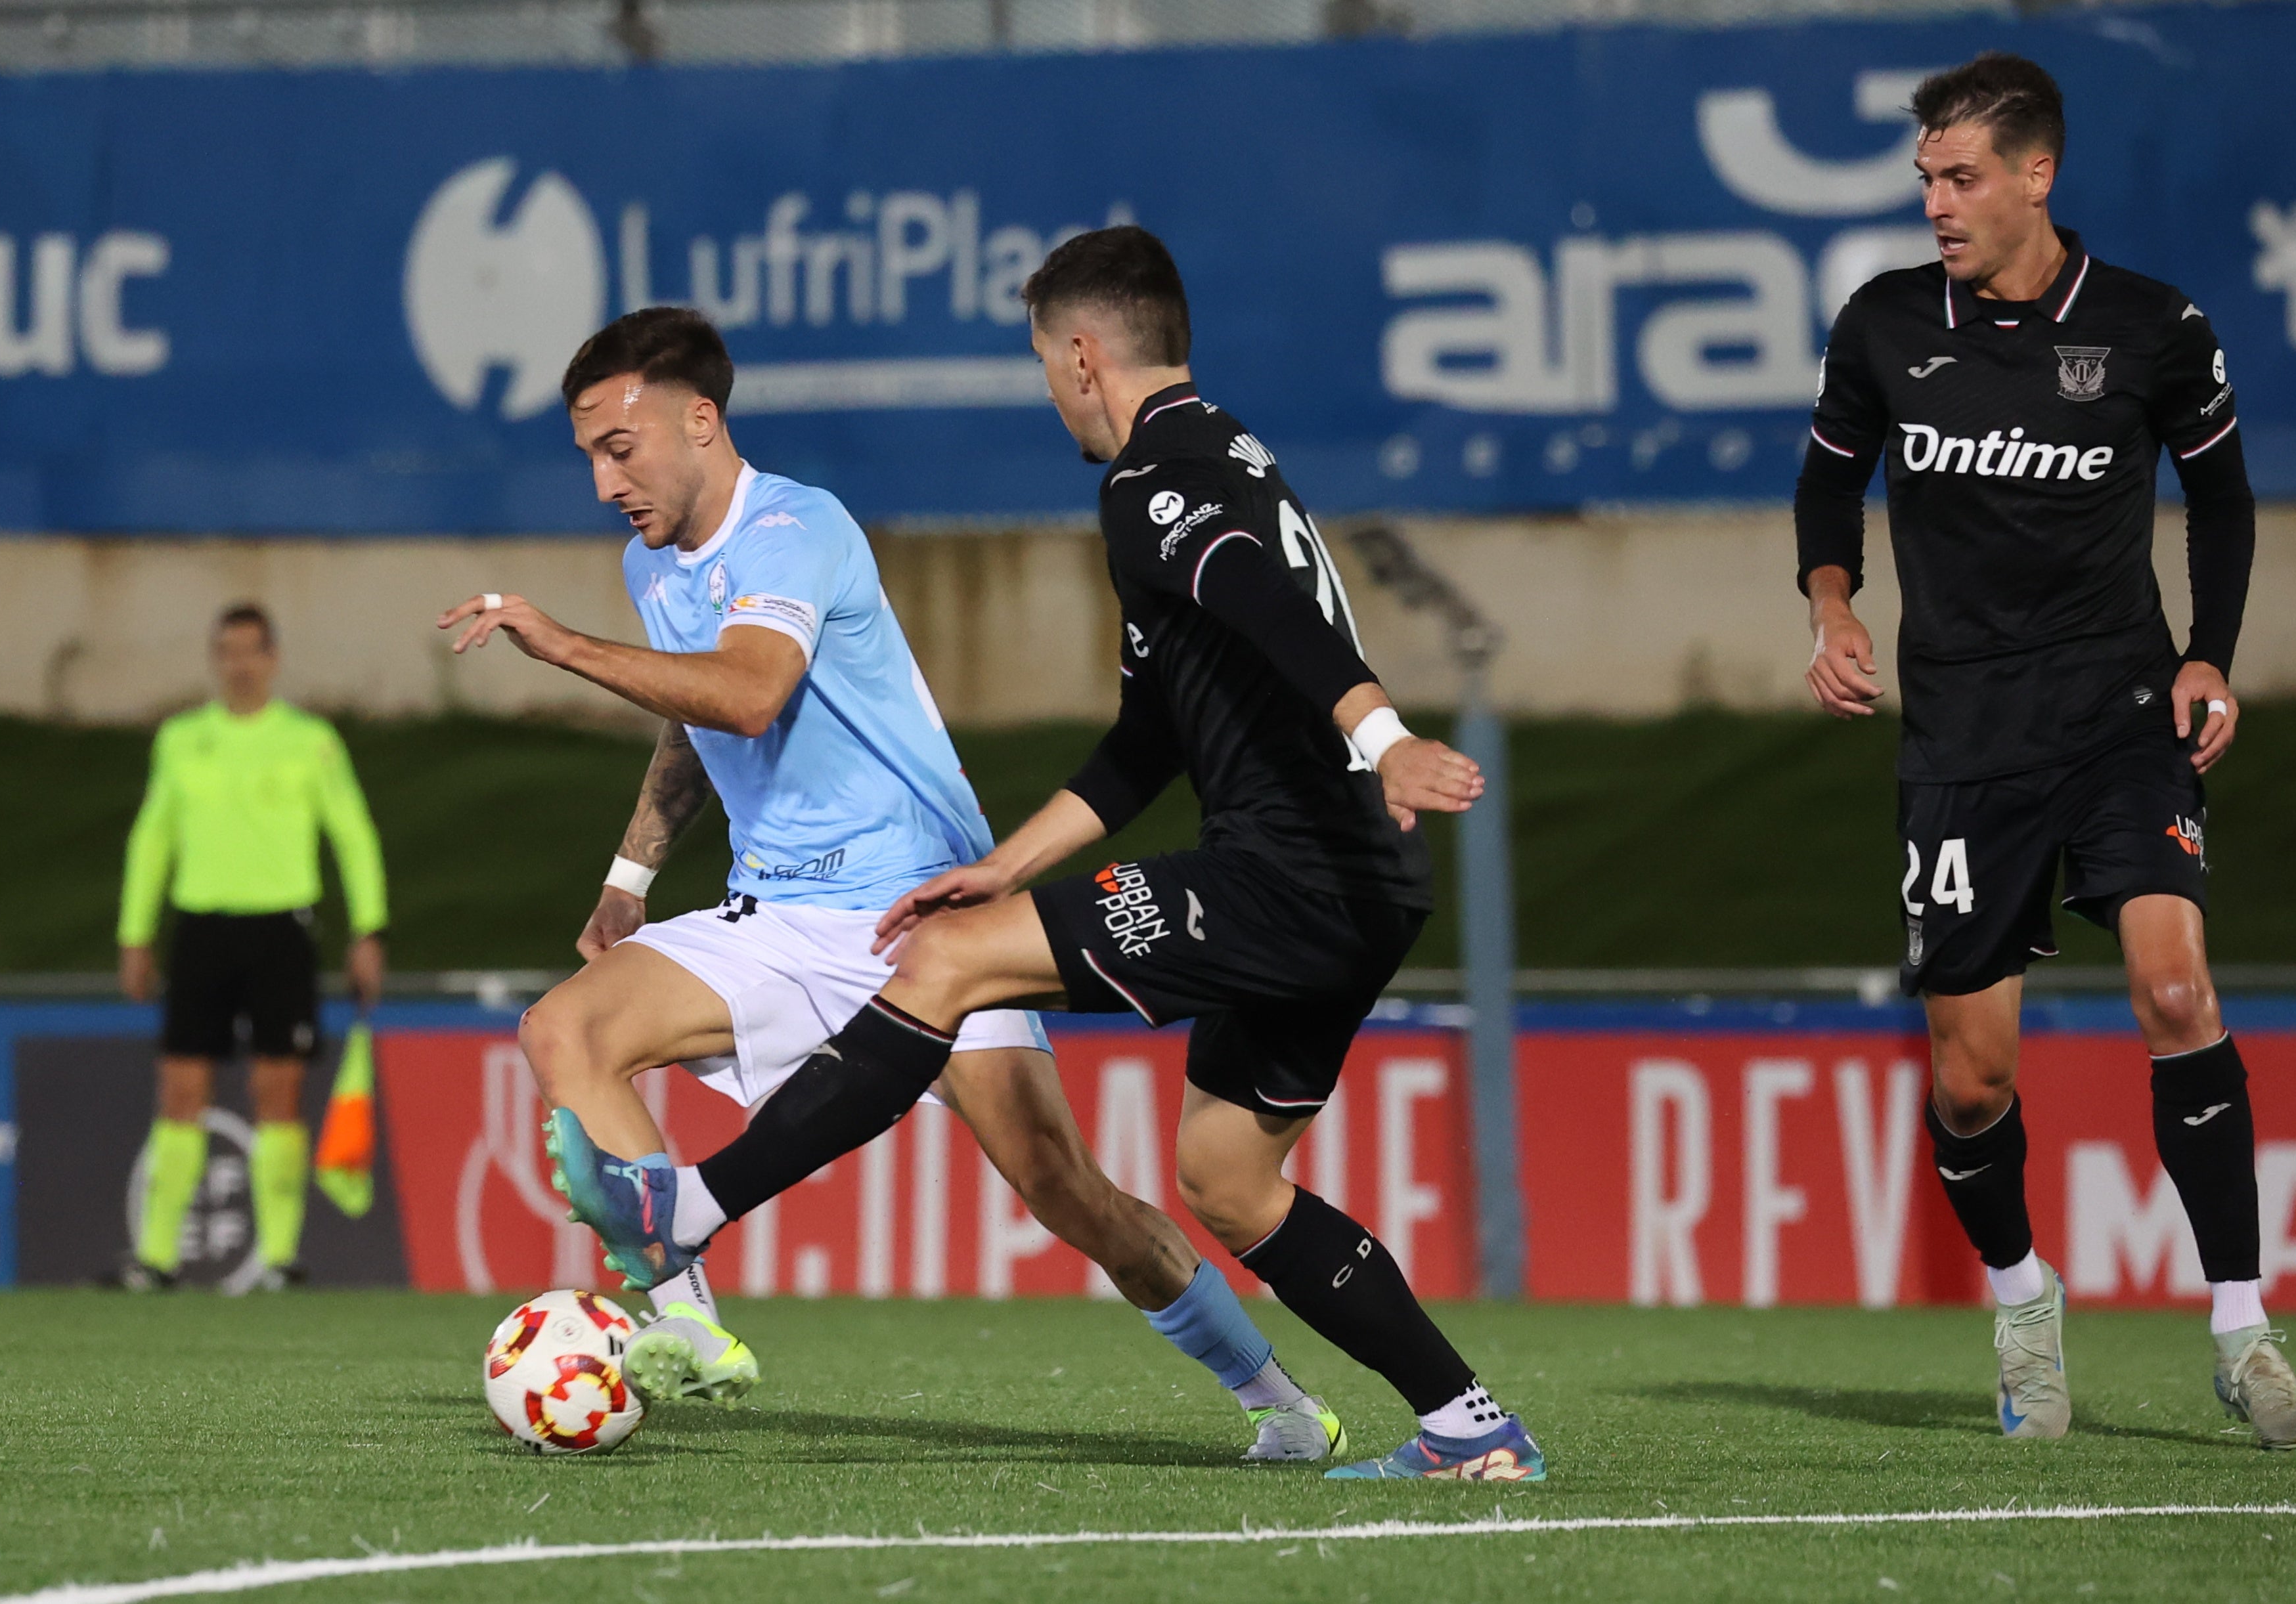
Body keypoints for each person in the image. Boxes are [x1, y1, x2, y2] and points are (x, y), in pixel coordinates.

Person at [533, 230, 1545, 1483]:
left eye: (1038, 362)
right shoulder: (1233, 452)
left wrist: (1379, 732)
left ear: (1081, 356)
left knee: (954, 971)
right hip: (1358, 883)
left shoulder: (1147, 486)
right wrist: (1007, 864)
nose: (1045, 387)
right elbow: (1142, 746)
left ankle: (691, 1207)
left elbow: (1253, 593)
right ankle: (1467, 1424)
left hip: (1293, 869)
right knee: (1228, 1180)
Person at [438, 305, 1346, 1462]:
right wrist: (632, 873)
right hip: (775, 910)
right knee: (566, 1030)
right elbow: (693, 712)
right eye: (588, 458)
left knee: (1067, 1189)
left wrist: (560, 645)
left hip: (920, 915)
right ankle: (685, 1328)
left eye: (621, 448)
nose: (605, 480)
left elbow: (751, 690)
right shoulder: (651, 560)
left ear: (700, 421)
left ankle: (1275, 1396)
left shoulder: (798, 526)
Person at [1798, 54, 2296, 1449]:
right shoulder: (1885, 324)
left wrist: (2209, 648)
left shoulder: (2155, 328)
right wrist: (1834, 602)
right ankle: (2025, 1302)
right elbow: (1825, 475)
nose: (1937, 203)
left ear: (2038, 175)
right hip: (1963, 743)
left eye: (1960, 176)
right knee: (1972, 1079)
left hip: (2117, 720)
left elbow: (2221, 494)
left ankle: (2241, 1328)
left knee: (2174, 989)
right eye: (1925, 179)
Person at [115, 604, 388, 1291]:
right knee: (180, 1087)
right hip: (201, 926)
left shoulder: (309, 739)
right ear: (215, 658)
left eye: (250, 651)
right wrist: (134, 933)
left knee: (278, 1089)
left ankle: (278, 1259)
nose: (239, 663)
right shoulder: (181, 738)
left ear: (272, 658)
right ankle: (155, 1257)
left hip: (279, 930)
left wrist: (369, 928)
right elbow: (153, 837)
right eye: (226, 651)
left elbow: (352, 833)